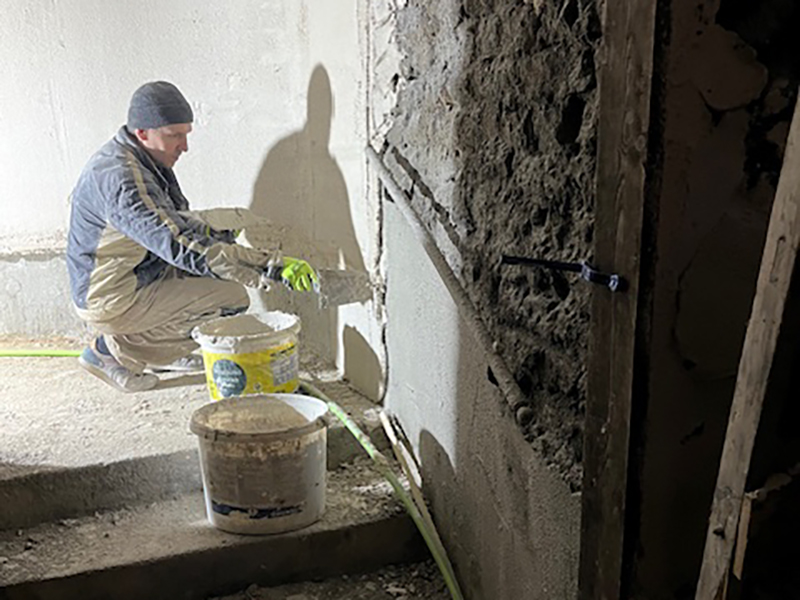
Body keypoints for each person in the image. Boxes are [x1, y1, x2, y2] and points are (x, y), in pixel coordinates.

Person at [67, 81, 317, 393]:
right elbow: (180, 245)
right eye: (174, 135)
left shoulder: (144, 158)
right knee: (232, 299)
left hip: (134, 271)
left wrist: (219, 231)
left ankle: (160, 353)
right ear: (142, 132)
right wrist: (271, 267)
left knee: (214, 279)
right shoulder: (123, 179)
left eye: (186, 134)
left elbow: (176, 221)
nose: (184, 146)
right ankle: (111, 353)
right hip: (111, 296)